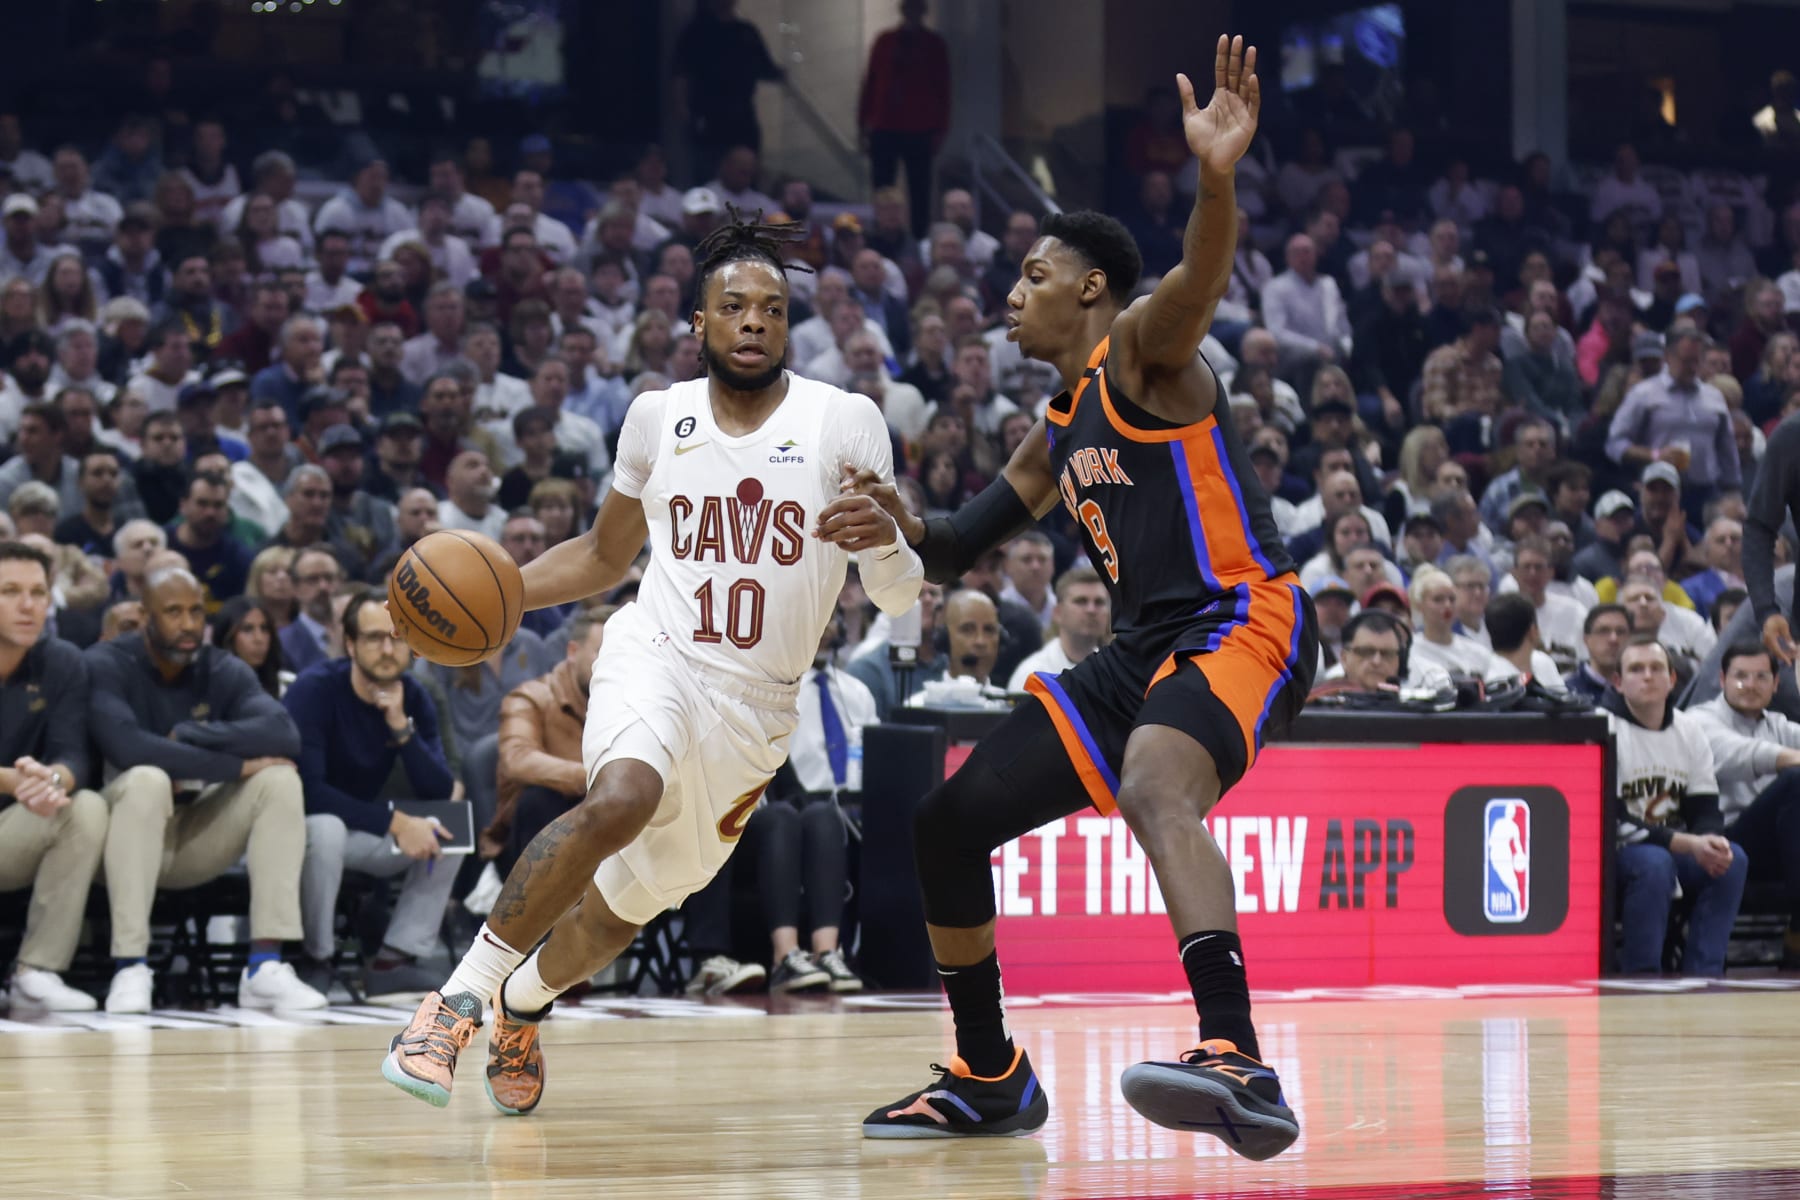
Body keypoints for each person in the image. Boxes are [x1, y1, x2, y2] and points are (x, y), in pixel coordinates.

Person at [842, 41, 1312, 1155]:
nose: (1011, 297)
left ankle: (1237, 1055)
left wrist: (1215, 179)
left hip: (1242, 615)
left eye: (1033, 279)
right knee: (946, 824)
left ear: (1091, 288)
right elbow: (959, 544)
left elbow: (1198, 279)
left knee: (1158, 784)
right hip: (1142, 650)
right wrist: (901, 520)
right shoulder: (1058, 430)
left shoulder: (1147, 353)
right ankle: (989, 1073)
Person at [378, 211, 924, 1116]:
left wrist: (892, 542)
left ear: (789, 326)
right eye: (734, 305)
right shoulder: (656, 418)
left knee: (621, 912)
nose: (754, 321)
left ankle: (523, 1004)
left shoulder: (846, 423)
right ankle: (455, 1003)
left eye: (774, 309)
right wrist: (494, 596)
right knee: (622, 796)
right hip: (657, 651)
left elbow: (900, 596)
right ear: (698, 324)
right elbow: (603, 554)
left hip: (756, 713)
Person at [88, 567, 326, 1013]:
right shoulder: (106, 663)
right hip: (114, 845)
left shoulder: (219, 666)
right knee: (147, 778)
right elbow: (129, 746)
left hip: (192, 837)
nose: (188, 624)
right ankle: (130, 965)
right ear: (145, 616)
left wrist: (189, 733)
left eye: (196, 611)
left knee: (278, 779)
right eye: (173, 612)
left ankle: (264, 966)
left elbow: (283, 734)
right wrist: (236, 765)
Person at [290, 594, 461, 1000]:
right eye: (373, 639)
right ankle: (317, 959)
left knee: (450, 827)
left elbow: (438, 789)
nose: (387, 650)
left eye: (397, 638)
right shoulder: (314, 691)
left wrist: (401, 727)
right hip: (306, 832)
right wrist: (396, 824)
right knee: (328, 829)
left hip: (365, 831)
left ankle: (393, 960)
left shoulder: (415, 695)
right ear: (349, 644)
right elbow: (309, 792)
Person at [0, 541, 109, 1013]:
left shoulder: (63, 661)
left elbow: (73, 754)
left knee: (84, 806)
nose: (28, 605)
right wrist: (13, 781)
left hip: (12, 829)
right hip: (14, 795)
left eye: (38, 592)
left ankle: (36, 970)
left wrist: (52, 780)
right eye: (9, 591)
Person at [1606, 635, 1746, 977]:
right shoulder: (1603, 727)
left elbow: (1705, 807)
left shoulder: (1689, 729)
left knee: (1732, 859)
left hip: (1674, 848)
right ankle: (1642, 976)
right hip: (1616, 853)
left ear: (1672, 679)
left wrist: (1710, 841)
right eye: (1636, 669)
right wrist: (1689, 844)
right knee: (1655, 863)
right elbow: (1610, 819)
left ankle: (1704, 974)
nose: (1647, 676)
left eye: (1656, 668)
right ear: (1619, 682)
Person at [1688, 643, 1800, 967]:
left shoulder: (1779, 724)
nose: (1750, 685)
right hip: (1728, 840)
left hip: (1782, 847)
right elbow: (1743, 753)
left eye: (1761, 677)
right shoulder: (1698, 720)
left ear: (1776, 684)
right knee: (1794, 781)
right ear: (1722, 678)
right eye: (1741, 676)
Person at [489, 609, 610, 873]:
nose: (614, 663)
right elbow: (517, 759)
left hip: (607, 826)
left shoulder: (632, 705)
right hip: (531, 835)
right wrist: (593, 777)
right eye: (603, 651)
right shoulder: (531, 697)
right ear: (572, 651)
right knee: (540, 800)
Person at [858, 0, 951, 239]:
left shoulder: (933, 44)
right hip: (885, 126)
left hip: (919, 128)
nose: (912, 13)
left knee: (920, 190)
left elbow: (943, 90)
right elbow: (871, 83)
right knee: (882, 188)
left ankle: (919, 237)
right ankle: (881, 232)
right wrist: (863, 124)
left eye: (916, 8)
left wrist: (939, 130)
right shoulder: (885, 41)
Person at [1006, 566, 1111, 690]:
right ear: (1058, 612)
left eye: (1099, 602)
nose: (1091, 610)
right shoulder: (1032, 673)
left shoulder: (1113, 672)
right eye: (1081, 601)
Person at [1567, 604, 1630, 705]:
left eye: (1621, 632)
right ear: (1586, 640)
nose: (1613, 639)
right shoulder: (1568, 692)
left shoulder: (1640, 688)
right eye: (1603, 631)